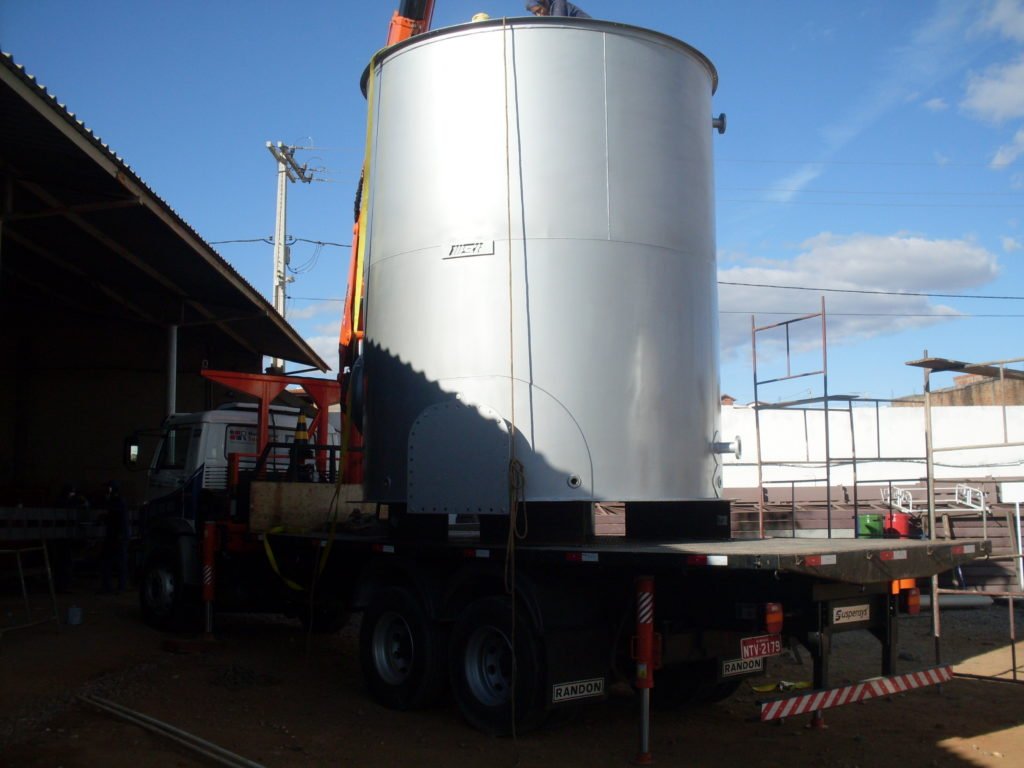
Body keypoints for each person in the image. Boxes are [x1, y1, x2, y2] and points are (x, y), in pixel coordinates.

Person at [98, 480, 128, 594]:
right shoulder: (116, 501)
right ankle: (114, 586)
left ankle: (116, 586)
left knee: (114, 562)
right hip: (116, 536)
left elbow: (115, 517)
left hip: (117, 536)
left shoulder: (117, 501)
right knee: (115, 562)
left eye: (109, 488)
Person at [525, 0, 591, 18]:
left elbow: (557, 28)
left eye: (539, 10)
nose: (538, 15)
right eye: (535, 13)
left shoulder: (558, 4)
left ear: (545, 3)